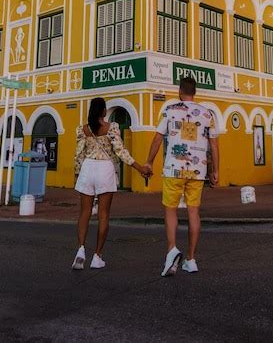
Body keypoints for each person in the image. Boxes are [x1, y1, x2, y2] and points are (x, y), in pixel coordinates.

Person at [144, 76, 219, 276]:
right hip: (197, 171)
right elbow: (214, 145)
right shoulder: (207, 114)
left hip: (173, 169)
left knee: (170, 210)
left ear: (180, 91)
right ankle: (191, 259)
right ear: (194, 92)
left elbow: (158, 138)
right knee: (193, 212)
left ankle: (171, 251)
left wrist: (149, 161)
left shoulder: (169, 110)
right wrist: (215, 171)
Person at [72, 97, 150, 270]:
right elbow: (120, 151)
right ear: (103, 111)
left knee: (84, 213)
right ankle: (97, 257)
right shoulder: (112, 127)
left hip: (87, 168)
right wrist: (138, 167)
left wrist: (77, 175)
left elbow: (78, 155)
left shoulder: (82, 129)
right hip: (105, 169)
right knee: (103, 215)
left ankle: (81, 250)